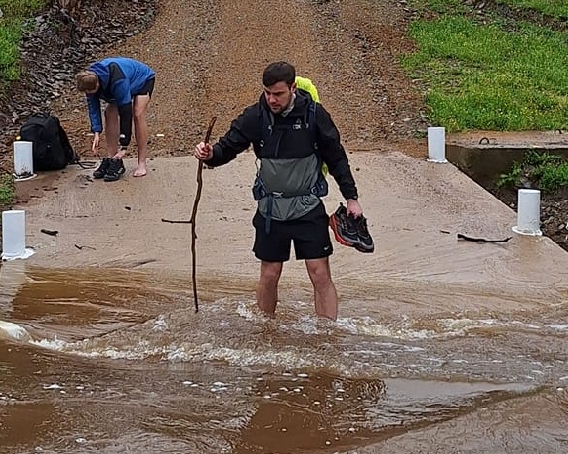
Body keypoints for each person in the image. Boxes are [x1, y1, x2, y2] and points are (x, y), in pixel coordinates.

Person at [193, 61, 366, 321]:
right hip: (271, 210)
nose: (271, 99)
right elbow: (226, 148)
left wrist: (351, 198)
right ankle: (266, 329)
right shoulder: (254, 116)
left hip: (308, 206)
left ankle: (328, 334)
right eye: (267, 93)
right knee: (270, 273)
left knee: (319, 273)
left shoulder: (315, 115)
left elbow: (336, 157)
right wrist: (208, 154)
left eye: (278, 93)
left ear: (293, 88)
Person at [75, 57, 154, 180]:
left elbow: (125, 113)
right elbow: (93, 107)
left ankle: (142, 163)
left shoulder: (118, 81)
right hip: (123, 81)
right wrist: (96, 132)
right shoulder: (88, 80)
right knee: (109, 112)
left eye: (91, 91)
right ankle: (113, 159)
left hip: (142, 79)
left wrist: (124, 145)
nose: (89, 94)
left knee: (137, 114)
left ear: (97, 84)